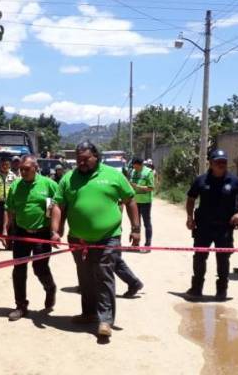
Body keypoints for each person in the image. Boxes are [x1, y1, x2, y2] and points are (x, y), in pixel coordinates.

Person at [50, 141, 142, 339]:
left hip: (108, 237)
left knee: (103, 275)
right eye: (78, 160)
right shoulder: (68, 178)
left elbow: (130, 200)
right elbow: (58, 205)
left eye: (85, 159)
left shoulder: (113, 175)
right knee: (85, 278)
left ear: (96, 157)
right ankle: (89, 313)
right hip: (78, 239)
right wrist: (55, 230)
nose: (81, 163)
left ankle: (105, 320)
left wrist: (136, 229)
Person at [185, 149, 238, 301]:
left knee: (223, 259)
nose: (221, 164)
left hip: (224, 228)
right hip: (203, 227)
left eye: (224, 162)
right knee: (199, 257)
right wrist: (190, 217)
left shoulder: (235, 181)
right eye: (218, 162)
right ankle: (196, 288)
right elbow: (190, 199)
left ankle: (221, 291)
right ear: (211, 163)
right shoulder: (201, 180)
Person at [4, 155, 58, 321]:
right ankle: (21, 305)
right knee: (19, 270)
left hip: (42, 233)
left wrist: (55, 230)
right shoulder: (16, 186)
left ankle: (50, 288)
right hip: (21, 233)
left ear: (36, 167)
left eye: (27, 169)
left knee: (40, 268)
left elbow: (55, 208)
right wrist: (6, 230)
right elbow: (9, 209)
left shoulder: (48, 185)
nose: (23, 172)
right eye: (21, 169)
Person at [129, 157, 154, 248]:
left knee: (146, 223)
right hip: (135, 202)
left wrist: (138, 186)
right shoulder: (132, 172)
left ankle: (148, 243)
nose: (135, 169)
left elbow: (151, 188)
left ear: (142, 165)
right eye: (134, 167)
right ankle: (136, 243)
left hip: (145, 202)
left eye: (137, 167)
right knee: (135, 224)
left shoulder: (148, 172)